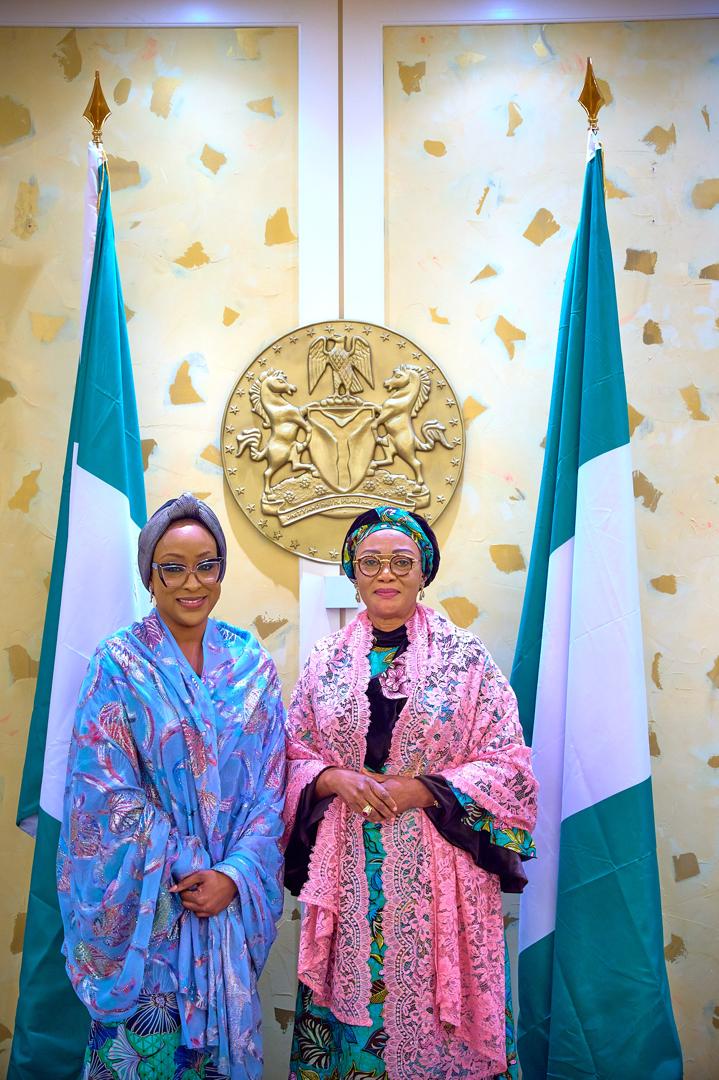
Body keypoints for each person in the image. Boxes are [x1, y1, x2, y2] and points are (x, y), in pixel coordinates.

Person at [284, 506, 538, 1080]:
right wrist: (332, 779)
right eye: (370, 562)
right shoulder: (323, 663)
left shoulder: (468, 660)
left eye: (402, 561)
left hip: (441, 886)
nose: (386, 573)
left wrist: (424, 790)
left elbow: (511, 769)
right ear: (352, 574)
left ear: (425, 571)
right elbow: (293, 756)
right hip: (349, 878)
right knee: (355, 1032)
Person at [57, 493, 286, 1080]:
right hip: (151, 910)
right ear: (150, 574)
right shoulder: (118, 664)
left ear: (221, 570)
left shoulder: (251, 665)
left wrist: (233, 875)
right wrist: (188, 861)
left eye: (206, 565)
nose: (192, 583)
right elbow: (101, 795)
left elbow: (270, 792)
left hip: (226, 910)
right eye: (174, 567)